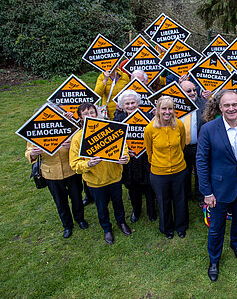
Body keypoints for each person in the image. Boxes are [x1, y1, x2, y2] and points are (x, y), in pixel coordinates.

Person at [196, 90, 237, 282]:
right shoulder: (209, 129)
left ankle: (236, 244)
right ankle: (214, 259)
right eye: (227, 105)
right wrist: (206, 192)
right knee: (216, 227)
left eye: (235, 105)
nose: (231, 108)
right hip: (219, 189)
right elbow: (201, 161)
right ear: (220, 107)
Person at [69, 103, 131, 244]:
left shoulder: (110, 129)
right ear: (80, 117)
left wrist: (125, 157)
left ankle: (121, 222)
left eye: (92, 112)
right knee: (101, 207)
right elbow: (74, 164)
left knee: (118, 202)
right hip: (96, 181)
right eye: (86, 114)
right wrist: (87, 164)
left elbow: (124, 147)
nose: (90, 116)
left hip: (114, 177)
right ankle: (106, 229)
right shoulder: (78, 138)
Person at [25, 111, 87, 239]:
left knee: (76, 197)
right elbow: (29, 151)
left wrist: (72, 146)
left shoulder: (68, 126)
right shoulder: (36, 131)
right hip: (51, 173)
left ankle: (80, 219)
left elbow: (81, 140)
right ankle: (67, 225)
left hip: (71, 169)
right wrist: (33, 153)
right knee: (60, 201)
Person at [144, 96, 188, 239]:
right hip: (159, 172)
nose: (167, 112)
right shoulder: (150, 129)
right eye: (164, 108)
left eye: (170, 108)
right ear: (158, 110)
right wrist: (158, 163)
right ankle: (166, 228)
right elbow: (149, 150)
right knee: (163, 201)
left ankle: (181, 226)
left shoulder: (179, 125)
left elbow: (182, 145)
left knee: (180, 199)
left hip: (179, 170)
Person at [114, 90, 157, 223]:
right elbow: (115, 141)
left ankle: (152, 211)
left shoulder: (148, 117)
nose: (130, 106)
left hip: (145, 159)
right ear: (122, 105)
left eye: (133, 103)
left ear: (138, 103)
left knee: (149, 187)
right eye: (127, 104)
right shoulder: (118, 120)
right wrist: (125, 151)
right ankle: (136, 211)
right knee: (132, 188)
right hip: (129, 161)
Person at [180, 80, 207, 208]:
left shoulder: (204, 104)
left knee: (200, 172)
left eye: (194, 90)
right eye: (188, 91)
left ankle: (200, 196)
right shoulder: (175, 106)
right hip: (182, 147)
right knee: (183, 172)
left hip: (199, 146)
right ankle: (185, 195)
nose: (192, 93)